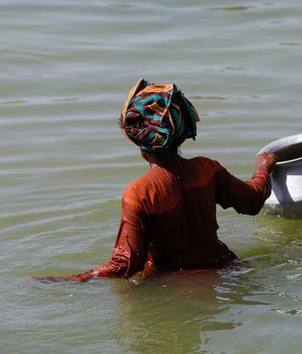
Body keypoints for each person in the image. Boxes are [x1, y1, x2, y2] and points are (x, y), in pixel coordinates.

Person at [39, 78, 277, 282]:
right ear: (183, 134)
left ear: (139, 145)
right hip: (228, 270)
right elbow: (253, 201)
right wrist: (263, 169)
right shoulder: (207, 168)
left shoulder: (140, 192)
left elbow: (125, 264)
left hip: (170, 285)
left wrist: (75, 279)